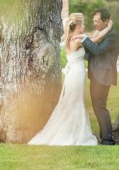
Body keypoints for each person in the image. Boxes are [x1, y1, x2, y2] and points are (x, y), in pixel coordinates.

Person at [28, 12, 112, 146]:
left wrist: (89, 33)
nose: (84, 25)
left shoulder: (72, 38)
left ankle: (70, 130)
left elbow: (92, 36)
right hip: (76, 75)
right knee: (74, 103)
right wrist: (108, 28)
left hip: (73, 74)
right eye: (83, 23)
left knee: (72, 102)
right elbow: (95, 40)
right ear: (78, 26)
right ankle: (72, 133)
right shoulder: (77, 40)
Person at [80, 8, 119, 145]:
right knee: (98, 106)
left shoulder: (112, 35)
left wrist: (84, 39)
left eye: (97, 21)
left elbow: (97, 51)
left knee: (100, 106)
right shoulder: (103, 33)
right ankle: (105, 137)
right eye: (94, 21)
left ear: (107, 21)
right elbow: (92, 48)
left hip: (103, 75)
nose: (95, 24)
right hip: (97, 74)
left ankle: (108, 139)